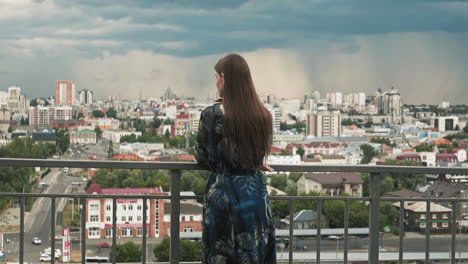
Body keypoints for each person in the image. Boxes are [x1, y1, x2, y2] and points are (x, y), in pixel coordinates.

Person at [195, 53, 276, 263]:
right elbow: (255, 154)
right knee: (253, 253)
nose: (215, 82)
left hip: (224, 198)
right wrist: (252, 163)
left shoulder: (211, 114)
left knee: (223, 255)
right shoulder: (264, 115)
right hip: (255, 196)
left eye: (216, 78)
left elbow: (202, 157)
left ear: (223, 77)